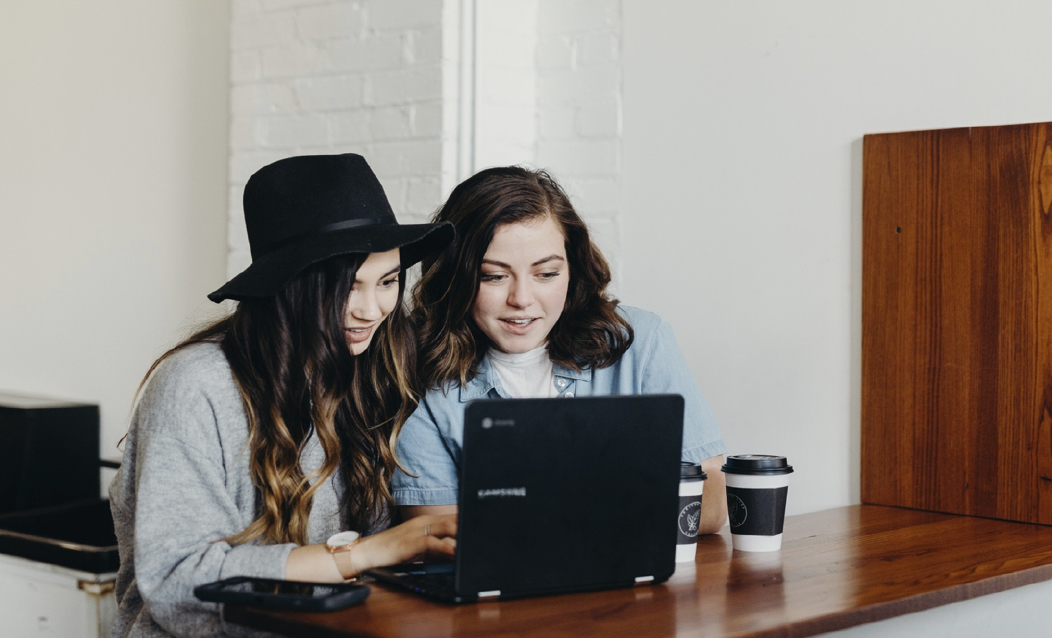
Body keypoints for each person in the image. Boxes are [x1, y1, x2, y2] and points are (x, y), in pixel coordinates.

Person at [109, 154, 457, 637]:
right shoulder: (197, 384)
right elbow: (178, 581)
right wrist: (367, 552)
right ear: (289, 284)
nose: (372, 309)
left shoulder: (372, 371)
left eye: (388, 281)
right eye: (346, 286)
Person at [393, 166, 728, 534]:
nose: (522, 299)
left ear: (573, 268)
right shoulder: (417, 372)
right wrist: (619, 500)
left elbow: (711, 503)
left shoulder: (641, 341)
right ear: (455, 276)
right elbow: (437, 534)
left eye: (546, 274)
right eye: (494, 276)